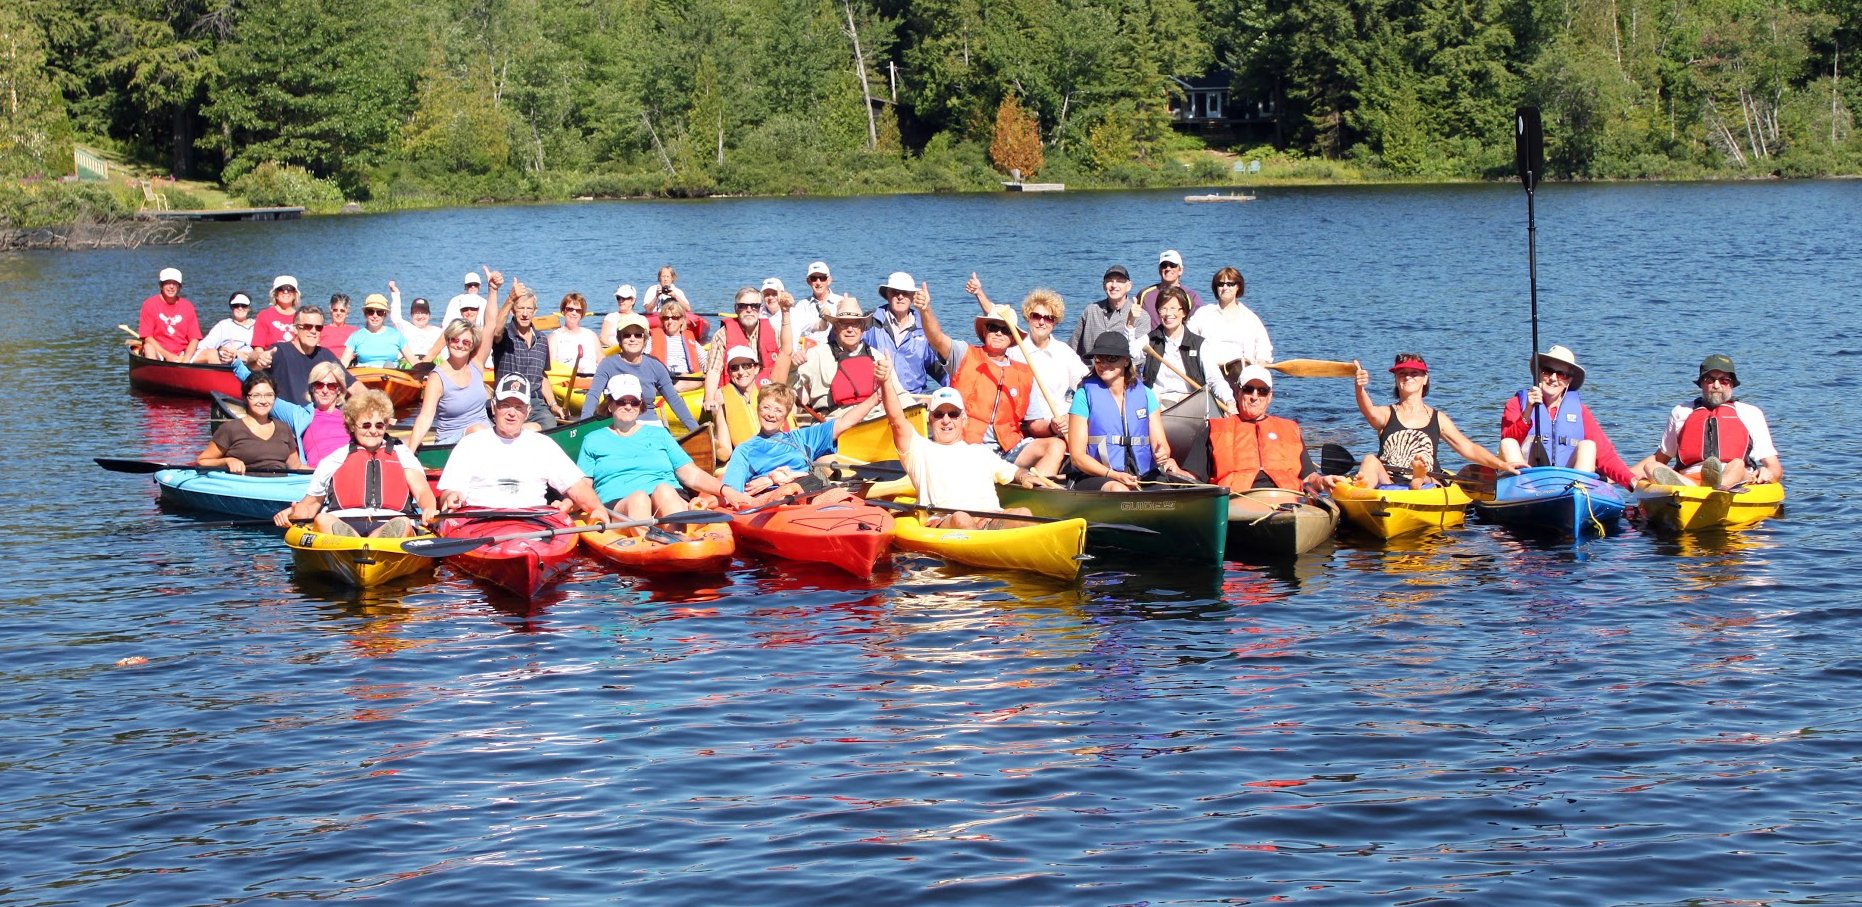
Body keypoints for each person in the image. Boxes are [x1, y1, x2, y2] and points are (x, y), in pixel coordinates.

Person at [924, 282, 1066, 476]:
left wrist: (1052, 426)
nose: (999, 333)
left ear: (1012, 338)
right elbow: (936, 337)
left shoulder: (1024, 373)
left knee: (1056, 446)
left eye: (1005, 330)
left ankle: (1034, 490)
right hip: (970, 446)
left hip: (1009, 448)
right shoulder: (964, 354)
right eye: (993, 327)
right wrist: (925, 309)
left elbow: (1035, 425)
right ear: (984, 331)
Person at [577, 374, 750, 528]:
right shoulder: (593, 439)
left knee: (664, 490)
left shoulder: (659, 435)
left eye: (634, 401)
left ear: (641, 404)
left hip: (669, 498)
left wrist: (725, 490)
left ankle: (678, 541)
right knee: (639, 498)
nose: (628, 406)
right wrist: (570, 504)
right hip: (619, 504)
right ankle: (649, 547)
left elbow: (692, 474)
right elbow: (583, 485)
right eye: (621, 401)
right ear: (609, 405)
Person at [436, 375, 610, 523]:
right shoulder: (470, 444)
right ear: (494, 407)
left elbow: (577, 486)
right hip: (480, 523)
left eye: (518, 407)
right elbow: (449, 491)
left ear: (527, 412)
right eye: (505, 405)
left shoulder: (543, 445)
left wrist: (596, 508)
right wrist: (451, 497)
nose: (512, 413)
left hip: (533, 524)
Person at [275, 389, 437, 537]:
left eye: (379, 425)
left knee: (402, 523)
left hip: (391, 519)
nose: (373, 430)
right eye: (366, 425)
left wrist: (429, 508)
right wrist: (292, 513)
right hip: (344, 520)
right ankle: (351, 539)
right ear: (352, 426)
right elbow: (310, 505)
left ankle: (377, 539)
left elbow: (422, 491)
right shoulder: (335, 459)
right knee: (323, 519)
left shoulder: (402, 454)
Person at [885, 379, 1041, 530]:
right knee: (961, 518)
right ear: (930, 419)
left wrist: (1024, 476)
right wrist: (885, 381)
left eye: (953, 414)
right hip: (947, 521)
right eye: (939, 414)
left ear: (963, 419)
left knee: (1024, 513)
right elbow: (897, 421)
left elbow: (1014, 471)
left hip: (989, 520)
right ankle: (984, 553)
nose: (946, 420)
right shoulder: (920, 450)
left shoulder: (981, 452)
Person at [1344, 353, 1512, 488]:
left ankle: (1417, 479)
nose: (1408, 377)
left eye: (1414, 373)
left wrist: (1502, 465)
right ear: (1396, 379)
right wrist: (1360, 388)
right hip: (1389, 480)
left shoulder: (1438, 418)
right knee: (1369, 460)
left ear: (1425, 379)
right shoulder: (1387, 413)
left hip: (1427, 479)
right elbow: (1369, 411)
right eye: (1402, 373)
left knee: (1425, 475)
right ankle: (1364, 488)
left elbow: (1469, 448)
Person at [720, 367, 889, 497]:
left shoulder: (801, 438)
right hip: (774, 502)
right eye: (766, 408)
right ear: (758, 409)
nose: (771, 414)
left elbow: (845, 422)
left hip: (806, 493)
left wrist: (876, 398)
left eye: (778, 410)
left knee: (833, 492)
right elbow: (732, 492)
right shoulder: (745, 450)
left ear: (786, 415)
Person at [1632, 354, 1783, 489]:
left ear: (1732, 384)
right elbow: (1661, 457)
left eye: (1724, 380)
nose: (1716, 386)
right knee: (1652, 467)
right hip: (1690, 478)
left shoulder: (1750, 413)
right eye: (1710, 379)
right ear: (1701, 383)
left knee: (1737, 464)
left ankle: (1719, 487)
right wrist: (1617, 475)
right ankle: (1693, 489)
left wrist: (1767, 473)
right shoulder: (1681, 412)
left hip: (1736, 477)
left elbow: (1774, 467)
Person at [1499, 344, 1636, 486]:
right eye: (1547, 371)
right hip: (1526, 480)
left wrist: (1631, 480)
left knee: (1588, 446)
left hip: (1567, 484)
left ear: (1568, 381)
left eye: (1561, 374)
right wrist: (1528, 410)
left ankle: (1581, 491)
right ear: (1539, 372)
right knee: (1507, 443)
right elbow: (1508, 444)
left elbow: (1606, 456)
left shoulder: (1581, 411)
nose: (1553, 378)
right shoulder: (1516, 404)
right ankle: (1521, 493)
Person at [1068, 331, 1185, 491]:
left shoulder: (1145, 394)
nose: (1103, 364)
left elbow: (1161, 444)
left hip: (1142, 474)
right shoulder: (1083, 396)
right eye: (1098, 359)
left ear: (1126, 361)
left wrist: (1162, 454)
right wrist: (1113, 475)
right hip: (1099, 475)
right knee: (1118, 489)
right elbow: (1077, 457)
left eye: (1111, 358)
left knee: (1165, 493)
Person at [1207, 364, 1328, 494]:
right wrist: (1180, 469)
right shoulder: (1214, 429)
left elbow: (1309, 477)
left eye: (1262, 391)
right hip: (1236, 501)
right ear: (1237, 392)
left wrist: (1322, 481)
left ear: (1270, 397)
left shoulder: (1290, 429)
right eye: (1248, 389)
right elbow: (1192, 478)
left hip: (1289, 500)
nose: (1255, 396)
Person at [582, 313, 703, 429]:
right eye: (627, 335)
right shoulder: (607, 365)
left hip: (650, 425)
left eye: (638, 335)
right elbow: (593, 396)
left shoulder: (655, 366)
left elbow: (674, 400)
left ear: (645, 339)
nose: (632, 339)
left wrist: (696, 431)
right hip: (618, 426)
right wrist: (582, 426)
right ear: (620, 339)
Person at [794, 297, 904, 414]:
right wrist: (792, 367)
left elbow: (900, 395)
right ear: (835, 328)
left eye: (855, 324)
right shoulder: (816, 355)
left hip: (873, 420)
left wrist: (919, 410)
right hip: (832, 423)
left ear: (862, 328)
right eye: (844, 324)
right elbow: (787, 386)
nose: (850, 329)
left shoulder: (878, 358)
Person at [407, 317, 494, 451]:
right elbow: (425, 416)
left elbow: (490, 325)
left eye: (466, 342)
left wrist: (493, 294)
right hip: (451, 441)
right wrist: (410, 454)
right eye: (455, 339)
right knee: (478, 430)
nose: (459, 345)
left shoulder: (476, 364)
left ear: (472, 346)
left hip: (485, 435)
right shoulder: (437, 377)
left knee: (529, 428)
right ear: (448, 341)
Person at [244, 304, 359, 405]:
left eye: (318, 328)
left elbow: (353, 385)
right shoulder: (280, 351)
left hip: (318, 418)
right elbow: (251, 364)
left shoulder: (326, 355)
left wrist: (374, 402)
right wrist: (259, 357)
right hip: (289, 421)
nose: (313, 331)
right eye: (307, 326)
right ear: (295, 329)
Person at [488, 277, 564, 428]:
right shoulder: (504, 335)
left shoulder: (542, 339)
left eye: (528, 309)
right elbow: (494, 330)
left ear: (535, 311)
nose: (524, 314)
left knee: (550, 426)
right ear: (512, 311)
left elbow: (542, 377)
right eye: (520, 308)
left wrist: (554, 404)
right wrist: (510, 298)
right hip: (508, 399)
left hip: (534, 402)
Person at [1142, 287, 1233, 410]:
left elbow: (1215, 379)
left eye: (1173, 308)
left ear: (1183, 312)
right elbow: (1132, 353)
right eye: (1163, 309)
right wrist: (1130, 325)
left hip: (1188, 401)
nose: (1168, 314)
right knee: (1153, 397)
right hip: (1157, 401)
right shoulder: (1149, 340)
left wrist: (1229, 401)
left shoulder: (1199, 344)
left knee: (1185, 400)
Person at [198, 371, 304, 475]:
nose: (263, 401)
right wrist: (227, 461)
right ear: (245, 398)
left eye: (269, 395)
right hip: (244, 488)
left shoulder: (283, 428)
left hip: (280, 488)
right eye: (256, 395)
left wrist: (320, 472)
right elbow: (202, 461)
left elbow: (296, 466)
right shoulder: (230, 429)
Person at [1007, 288, 1088, 422]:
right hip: (1021, 424)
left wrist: (1071, 416)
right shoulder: (1013, 351)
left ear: (1055, 322)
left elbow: (1085, 384)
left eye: (1048, 318)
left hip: (1057, 422)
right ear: (1028, 318)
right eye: (1036, 316)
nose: (1041, 322)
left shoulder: (1064, 352)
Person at [866, 272, 946, 395]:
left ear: (913, 296)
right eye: (895, 292)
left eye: (905, 293)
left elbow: (940, 369)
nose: (900, 296)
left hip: (914, 398)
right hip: (878, 397)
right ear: (887, 294)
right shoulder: (870, 321)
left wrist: (955, 393)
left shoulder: (924, 327)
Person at [1185, 266, 1271, 368]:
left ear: (1238, 287)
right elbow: (1186, 338)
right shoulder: (1203, 314)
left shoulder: (1250, 318)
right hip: (1210, 372)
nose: (1225, 288)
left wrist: (1261, 360)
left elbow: (1264, 346)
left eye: (1230, 284)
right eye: (1221, 284)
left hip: (1243, 373)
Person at [707, 345, 778, 465]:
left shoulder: (771, 394)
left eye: (746, 366)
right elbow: (725, 452)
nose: (740, 372)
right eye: (734, 368)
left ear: (756, 368)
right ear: (729, 372)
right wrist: (710, 442)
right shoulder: (724, 401)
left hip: (777, 456)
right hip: (749, 463)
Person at [1071, 264, 1151, 362]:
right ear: (1104, 285)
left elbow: (1137, 356)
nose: (1114, 285)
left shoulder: (1142, 317)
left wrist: (1130, 322)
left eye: (1119, 281)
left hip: (1123, 374)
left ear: (1129, 286)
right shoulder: (1091, 311)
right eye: (1109, 280)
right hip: (1090, 372)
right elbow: (1073, 347)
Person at [713, 286, 791, 386]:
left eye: (755, 306)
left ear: (760, 308)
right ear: (736, 309)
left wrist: (785, 312)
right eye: (743, 306)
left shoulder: (773, 332)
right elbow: (714, 371)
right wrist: (709, 399)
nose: (749, 310)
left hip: (767, 390)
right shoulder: (722, 335)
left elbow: (786, 353)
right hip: (735, 390)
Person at [136, 267, 201, 362]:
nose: (171, 286)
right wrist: (168, 355)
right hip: (159, 353)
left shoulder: (188, 306)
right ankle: (155, 373)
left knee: (211, 353)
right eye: (168, 283)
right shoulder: (149, 304)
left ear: (179, 287)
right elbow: (147, 337)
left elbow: (194, 338)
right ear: (161, 286)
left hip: (182, 354)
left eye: (175, 283)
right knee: (148, 347)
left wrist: (185, 361)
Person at [647, 299, 706, 391]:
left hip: (686, 378)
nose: (670, 321)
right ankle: (672, 391)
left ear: (682, 320)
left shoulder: (691, 340)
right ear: (662, 320)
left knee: (706, 378)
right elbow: (642, 360)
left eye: (675, 317)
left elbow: (706, 362)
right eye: (666, 318)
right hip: (663, 378)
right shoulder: (652, 340)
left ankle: (672, 391)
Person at [1138, 249, 1205, 326]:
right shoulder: (1145, 294)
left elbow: (1200, 324)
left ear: (1180, 270)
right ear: (1159, 270)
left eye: (1173, 265)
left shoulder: (1191, 297)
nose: (1168, 268)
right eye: (1164, 265)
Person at [343, 293, 412, 367]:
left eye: (380, 312)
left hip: (392, 375)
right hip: (364, 375)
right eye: (371, 311)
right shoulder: (356, 336)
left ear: (385, 314)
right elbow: (343, 363)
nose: (375, 316)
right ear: (365, 314)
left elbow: (414, 361)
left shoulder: (396, 335)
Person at [547, 292, 603, 377]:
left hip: (592, 378)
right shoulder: (554, 337)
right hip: (567, 380)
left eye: (578, 310)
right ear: (563, 311)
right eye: (570, 309)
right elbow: (552, 364)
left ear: (582, 314)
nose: (574, 313)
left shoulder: (591, 335)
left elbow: (601, 360)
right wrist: (570, 370)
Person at [193, 292, 255, 364]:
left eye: (244, 305)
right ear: (231, 307)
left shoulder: (258, 324)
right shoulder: (224, 325)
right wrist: (220, 351)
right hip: (230, 364)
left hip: (254, 363)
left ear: (249, 308)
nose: (240, 308)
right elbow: (202, 346)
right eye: (236, 305)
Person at [387, 282, 440, 362]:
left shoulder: (438, 332)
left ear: (429, 315)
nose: (420, 316)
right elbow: (395, 316)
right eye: (416, 313)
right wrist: (395, 293)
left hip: (430, 365)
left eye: (423, 313)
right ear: (411, 315)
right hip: (409, 365)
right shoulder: (405, 327)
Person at [249, 276, 302, 350]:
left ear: (295, 294)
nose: (285, 292)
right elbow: (258, 348)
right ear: (275, 294)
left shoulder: (301, 317)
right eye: (281, 289)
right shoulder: (264, 315)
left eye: (290, 289)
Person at [795, 260, 840, 347]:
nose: (818, 282)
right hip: (808, 354)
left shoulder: (840, 302)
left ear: (829, 280)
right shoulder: (801, 306)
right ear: (808, 281)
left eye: (822, 278)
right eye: (814, 278)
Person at [318, 293, 357, 359]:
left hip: (348, 365)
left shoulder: (354, 332)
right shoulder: (321, 330)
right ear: (330, 310)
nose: (338, 313)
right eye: (335, 310)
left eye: (342, 310)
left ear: (347, 312)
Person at [599, 284, 639, 348]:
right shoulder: (610, 317)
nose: (621, 301)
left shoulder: (639, 319)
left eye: (624, 298)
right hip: (612, 351)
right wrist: (617, 348)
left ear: (633, 300)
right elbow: (602, 338)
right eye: (618, 298)